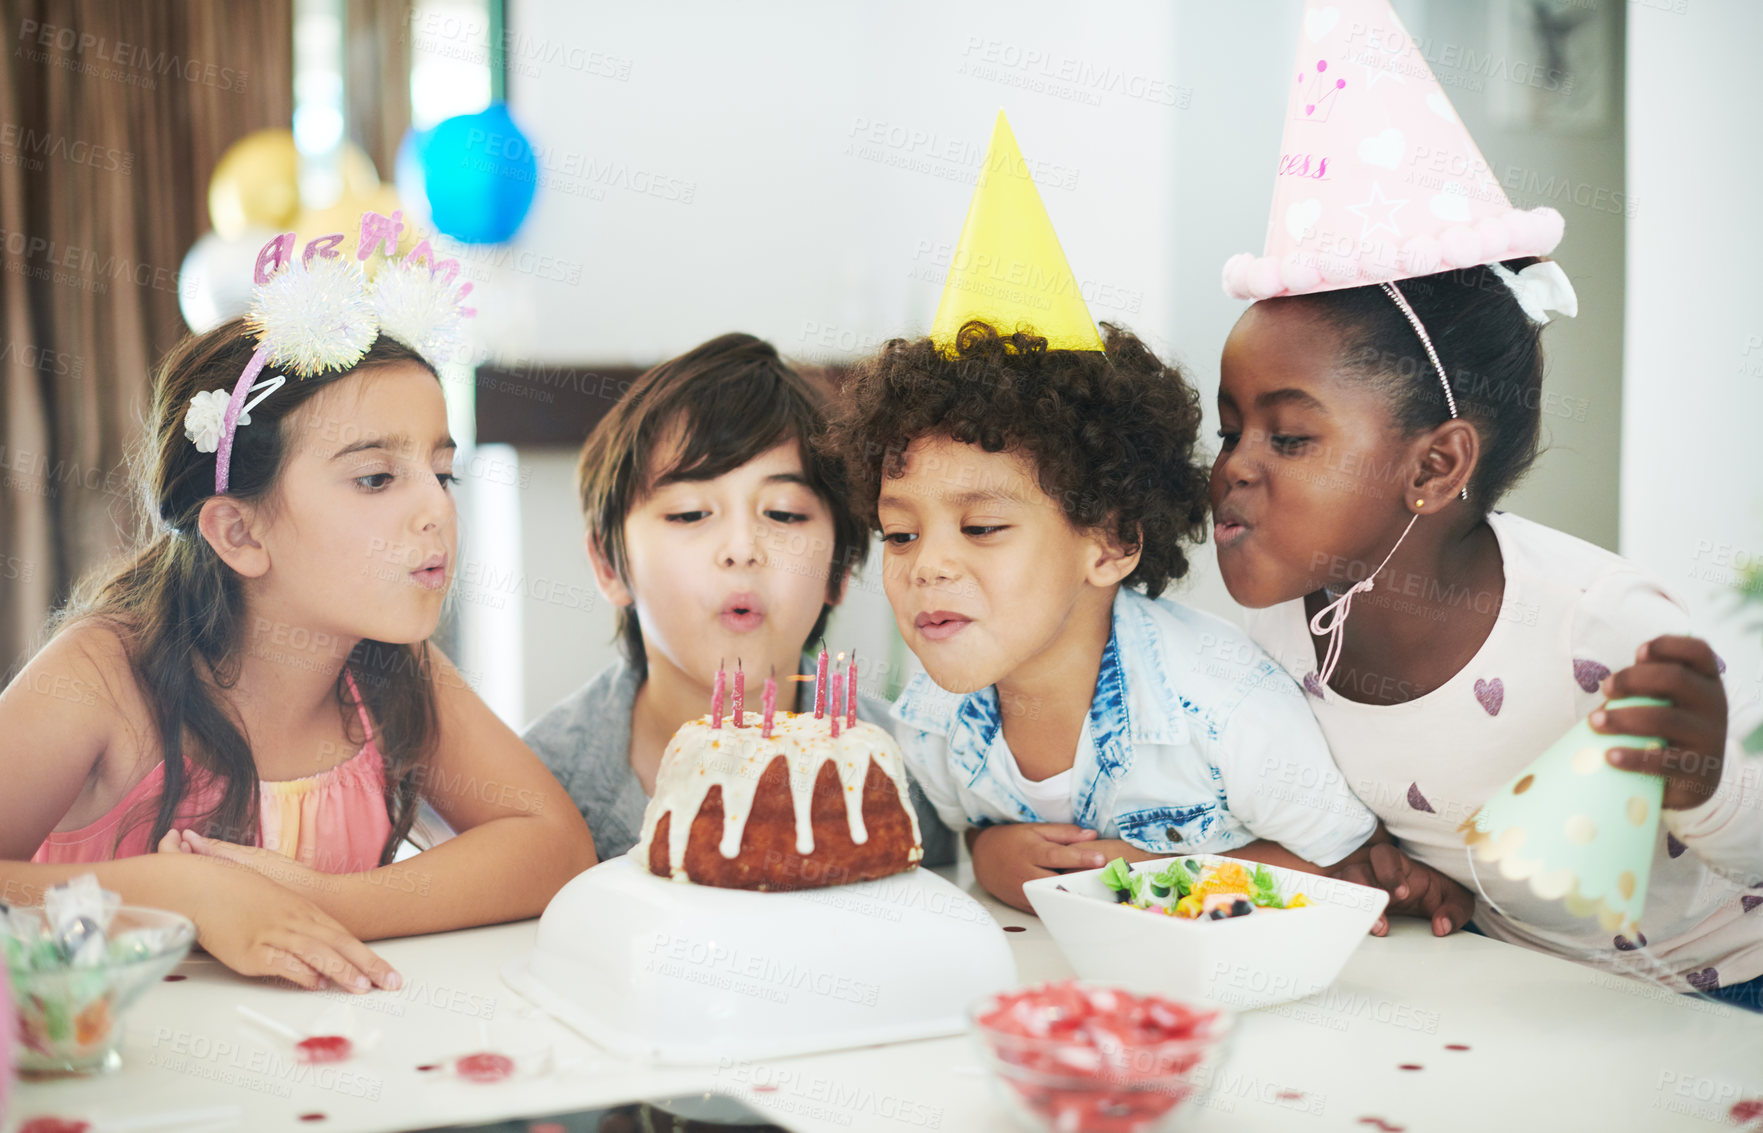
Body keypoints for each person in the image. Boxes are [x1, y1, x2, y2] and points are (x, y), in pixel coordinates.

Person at [0, 227, 595, 992]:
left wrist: (324, 900)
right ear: (239, 531)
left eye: (441, 473)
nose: (434, 511)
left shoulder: (390, 672)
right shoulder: (105, 673)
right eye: (378, 478)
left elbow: (554, 846)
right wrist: (181, 893)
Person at [523, 332, 954, 868]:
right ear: (611, 566)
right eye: (688, 514)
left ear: (840, 570)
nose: (742, 550)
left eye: (783, 514)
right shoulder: (536, 789)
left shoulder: (913, 776)